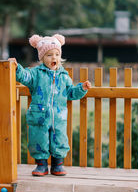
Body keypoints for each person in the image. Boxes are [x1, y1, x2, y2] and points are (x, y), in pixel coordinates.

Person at [8, 34, 91, 176]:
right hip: (39, 116)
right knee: (38, 138)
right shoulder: (36, 73)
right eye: (49, 55)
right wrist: (17, 68)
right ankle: (41, 165)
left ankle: (57, 165)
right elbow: (24, 77)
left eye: (57, 55)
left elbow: (70, 93)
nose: (54, 58)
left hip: (58, 117)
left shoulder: (64, 76)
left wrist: (81, 88)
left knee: (59, 139)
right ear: (41, 58)